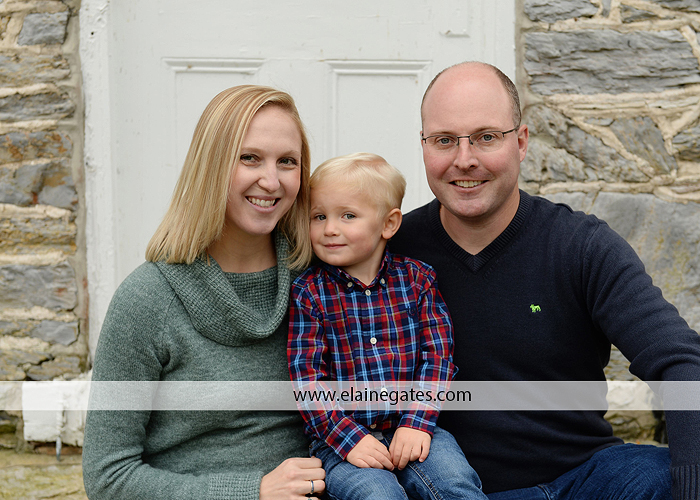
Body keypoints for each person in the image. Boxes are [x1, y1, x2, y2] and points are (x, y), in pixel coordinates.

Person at [390, 61, 700, 499]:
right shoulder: (387, 252)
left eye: (486, 137)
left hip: (579, 481)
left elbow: (680, 361)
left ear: (520, 142)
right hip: (442, 486)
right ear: (423, 145)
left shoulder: (581, 246)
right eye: (444, 140)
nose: (465, 159)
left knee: (661, 477)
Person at [82, 85, 326, 500]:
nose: (271, 181)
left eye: (287, 162)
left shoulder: (320, 280)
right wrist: (252, 492)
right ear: (211, 165)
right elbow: (108, 478)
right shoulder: (147, 299)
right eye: (249, 158)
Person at [288, 153, 488, 500]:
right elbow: (307, 380)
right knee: (379, 494)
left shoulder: (417, 280)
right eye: (319, 216)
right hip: (341, 442)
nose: (329, 228)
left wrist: (417, 422)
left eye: (347, 216)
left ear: (389, 223)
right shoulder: (310, 292)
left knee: (454, 483)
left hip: (414, 426)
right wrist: (349, 438)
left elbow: (437, 357)